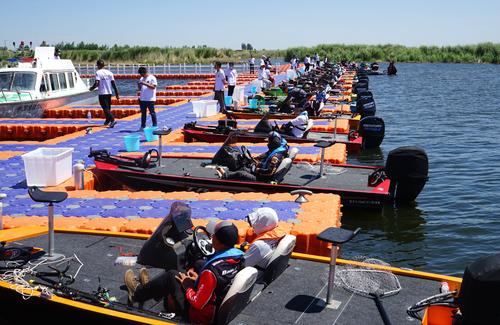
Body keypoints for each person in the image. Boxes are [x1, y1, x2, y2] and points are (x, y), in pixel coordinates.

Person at [125, 220, 243, 325]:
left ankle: (136, 293)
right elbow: (218, 285)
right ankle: (150, 288)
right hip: (214, 307)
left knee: (172, 276)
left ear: (220, 242)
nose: (211, 238)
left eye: (214, 236)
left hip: (199, 317)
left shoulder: (211, 272)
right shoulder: (236, 259)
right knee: (193, 267)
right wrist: (199, 280)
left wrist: (188, 287)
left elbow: (197, 303)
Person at [216, 131, 288, 182]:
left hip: (263, 179)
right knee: (244, 168)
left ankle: (224, 177)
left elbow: (270, 172)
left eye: (269, 142)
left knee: (241, 174)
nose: (267, 144)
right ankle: (227, 174)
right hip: (261, 173)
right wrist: (256, 163)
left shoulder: (275, 157)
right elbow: (263, 159)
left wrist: (257, 170)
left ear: (273, 143)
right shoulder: (274, 151)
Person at [89, 59, 119, 128]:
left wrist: (92, 88)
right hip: (109, 93)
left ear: (98, 65)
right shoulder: (110, 73)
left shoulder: (98, 72)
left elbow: (97, 83)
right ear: (104, 65)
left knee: (105, 108)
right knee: (108, 108)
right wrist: (117, 94)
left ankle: (112, 120)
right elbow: (113, 84)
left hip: (102, 93)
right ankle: (107, 120)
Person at [137, 66, 157, 132]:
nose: (141, 75)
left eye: (142, 74)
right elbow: (140, 88)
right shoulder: (141, 78)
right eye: (140, 74)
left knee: (152, 113)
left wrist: (144, 83)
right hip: (142, 99)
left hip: (150, 99)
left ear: (145, 72)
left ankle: (155, 126)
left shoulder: (152, 78)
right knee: (143, 113)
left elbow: (153, 87)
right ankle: (143, 126)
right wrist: (139, 85)